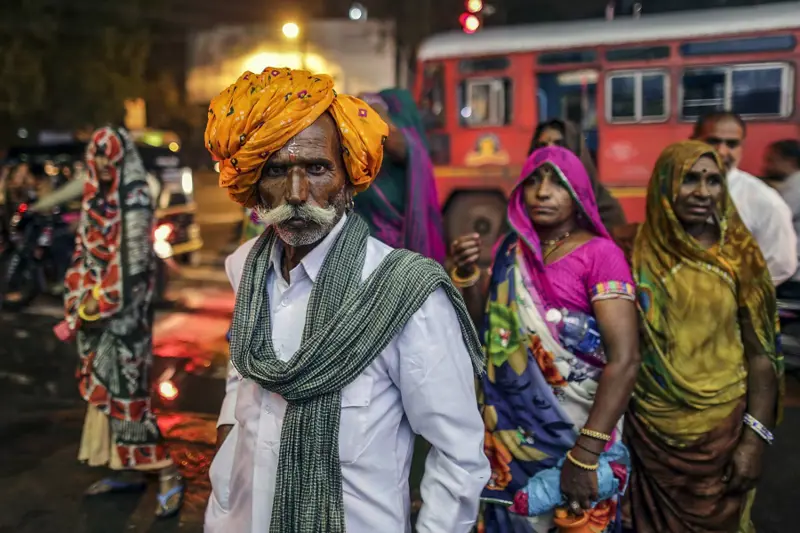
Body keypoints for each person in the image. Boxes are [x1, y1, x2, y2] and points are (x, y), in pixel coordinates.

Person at [203, 67, 489, 533]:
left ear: (350, 179)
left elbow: (458, 455)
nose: (297, 195)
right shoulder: (245, 268)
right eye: (277, 171)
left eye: (317, 169)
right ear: (254, 182)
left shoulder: (406, 294)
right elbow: (242, 375)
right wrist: (226, 463)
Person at [452, 145, 640, 532]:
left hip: (578, 432)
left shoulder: (601, 255)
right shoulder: (509, 249)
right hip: (510, 441)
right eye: (534, 180)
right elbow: (489, 333)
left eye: (558, 182)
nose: (543, 191)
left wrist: (586, 453)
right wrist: (467, 273)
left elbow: (625, 360)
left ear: (579, 193)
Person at [625, 141, 782, 533]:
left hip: (720, 438)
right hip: (646, 437)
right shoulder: (631, 250)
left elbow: (762, 356)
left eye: (713, 181)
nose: (702, 192)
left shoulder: (739, 257)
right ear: (664, 183)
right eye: (690, 179)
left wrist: (754, 440)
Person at [61, 127, 184, 518]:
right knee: (103, 391)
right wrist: (80, 295)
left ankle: (165, 471)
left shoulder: (134, 193)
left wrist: (104, 301)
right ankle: (124, 469)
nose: (99, 163)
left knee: (126, 395)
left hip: (123, 316)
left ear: (119, 156)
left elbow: (134, 264)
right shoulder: (96, 193)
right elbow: (84, 249)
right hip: (94, 309)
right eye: (94, 155)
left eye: (105, 155)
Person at [692, 111, 796, 285]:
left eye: (732, 144)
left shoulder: (764, 201)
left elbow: (782, 263)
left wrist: (736, 294)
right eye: (713, 141)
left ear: (742, 147)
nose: (722, 151)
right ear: (693, 141)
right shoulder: (672, 188)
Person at [355, 89, 446, 262]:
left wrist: (374, 108)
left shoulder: (407, 136)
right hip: (368, 239)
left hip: (400, 236)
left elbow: (396, 144)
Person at [530, 119, 627, 230]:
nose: (549, 151)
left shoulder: (605, 210)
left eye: (559, 144)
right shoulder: (526, 202)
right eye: (542, 145)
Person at [763, 139, 800, 286]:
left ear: (789, 161)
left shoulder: (795, 186)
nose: (766, 166)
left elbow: (772, 217)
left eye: (772, 161)